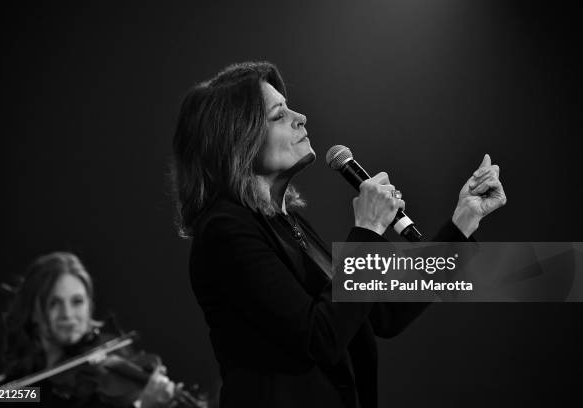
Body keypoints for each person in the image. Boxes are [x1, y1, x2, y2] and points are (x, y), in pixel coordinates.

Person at [170, 61, 507, 408]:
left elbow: (383, 314)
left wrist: (463, 222)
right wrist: (369, 229)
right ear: (238, 141)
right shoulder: (226, 232)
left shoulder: (287, 223)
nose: (300, 117)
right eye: (277, 115)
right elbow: (319, 338)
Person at [0, 252, 177, 408]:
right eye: (54, 303)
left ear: (89, 306)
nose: (67, 314)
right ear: (33, 312)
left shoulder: (101, 393)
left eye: (77, 302)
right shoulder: (27, 390)